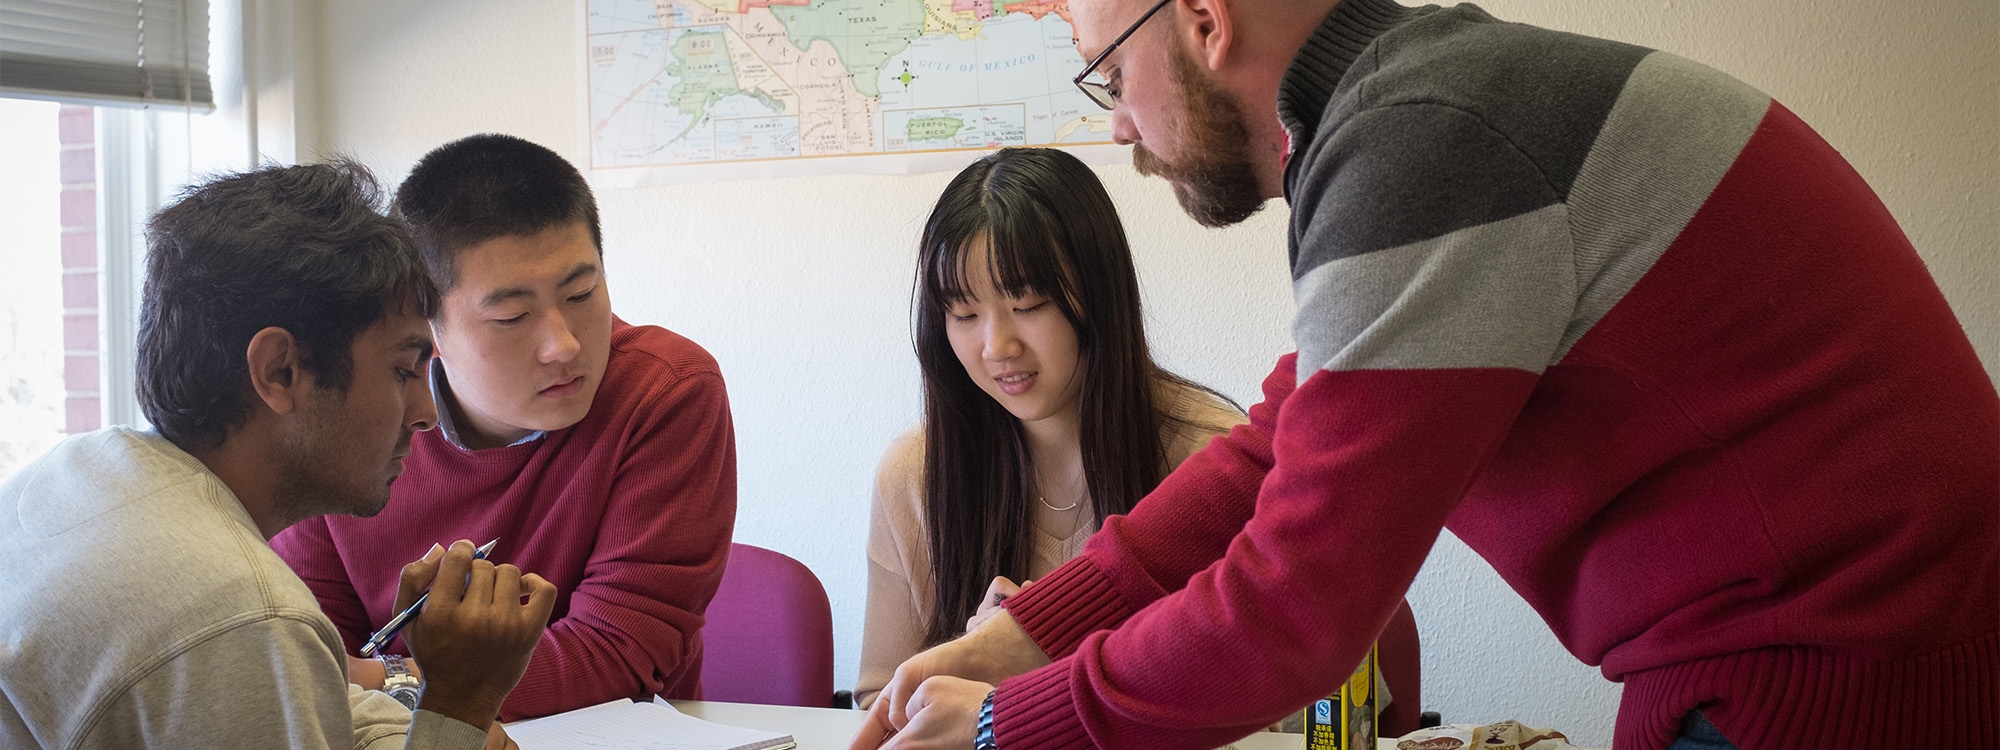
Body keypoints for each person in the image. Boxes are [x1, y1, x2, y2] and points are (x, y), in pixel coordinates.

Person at [853, 0, 2000, 749]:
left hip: (1839, 681)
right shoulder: (1428, 107)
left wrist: (1008, 723)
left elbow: (1296, 604)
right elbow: (1275, 449)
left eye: (1108, 72)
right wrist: (1020, 635)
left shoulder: (1422, 144)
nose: (1120, 128)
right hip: (1836, 659)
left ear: (1202, 21)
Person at [0, 161, 557, 749]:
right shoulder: (238, 615)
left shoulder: (77, 471)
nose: (426, 414)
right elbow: (251, 652)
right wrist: (462, 702)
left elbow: (305, 710)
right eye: (402, 370)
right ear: (280, 371)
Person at [272, 134, 738, 721]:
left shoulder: (665, 389)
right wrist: (401, 683)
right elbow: (310, 654)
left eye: (581, 293)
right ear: (426, 322)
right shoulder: (347, 409)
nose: (563, 346)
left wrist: (392, 679)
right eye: (512, 317)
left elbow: (619, 654)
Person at [853, 147, 1246, 709]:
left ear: (1099, 296)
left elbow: (1288, 704)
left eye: (1029, 304)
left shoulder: (1214, 460)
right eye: (964, 314)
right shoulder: (916, 471)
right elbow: (877, 702)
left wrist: (1066, 661)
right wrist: (974, 656)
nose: (997, 347)